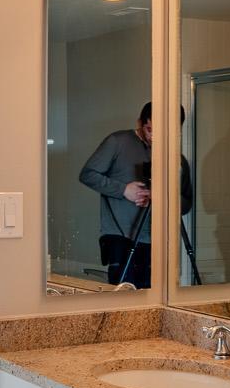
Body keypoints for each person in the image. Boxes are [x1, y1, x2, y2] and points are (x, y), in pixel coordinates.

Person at [79, 102, 186, 288]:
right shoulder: (117, 142)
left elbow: (186, 203)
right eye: (150, 129)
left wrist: (160, 197)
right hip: (120, 236)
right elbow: (87, 174)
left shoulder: (175, 157)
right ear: (140, 122)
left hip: (157, 240)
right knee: (123, 301)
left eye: (164, 130)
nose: (155, 137)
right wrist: (123, 190)